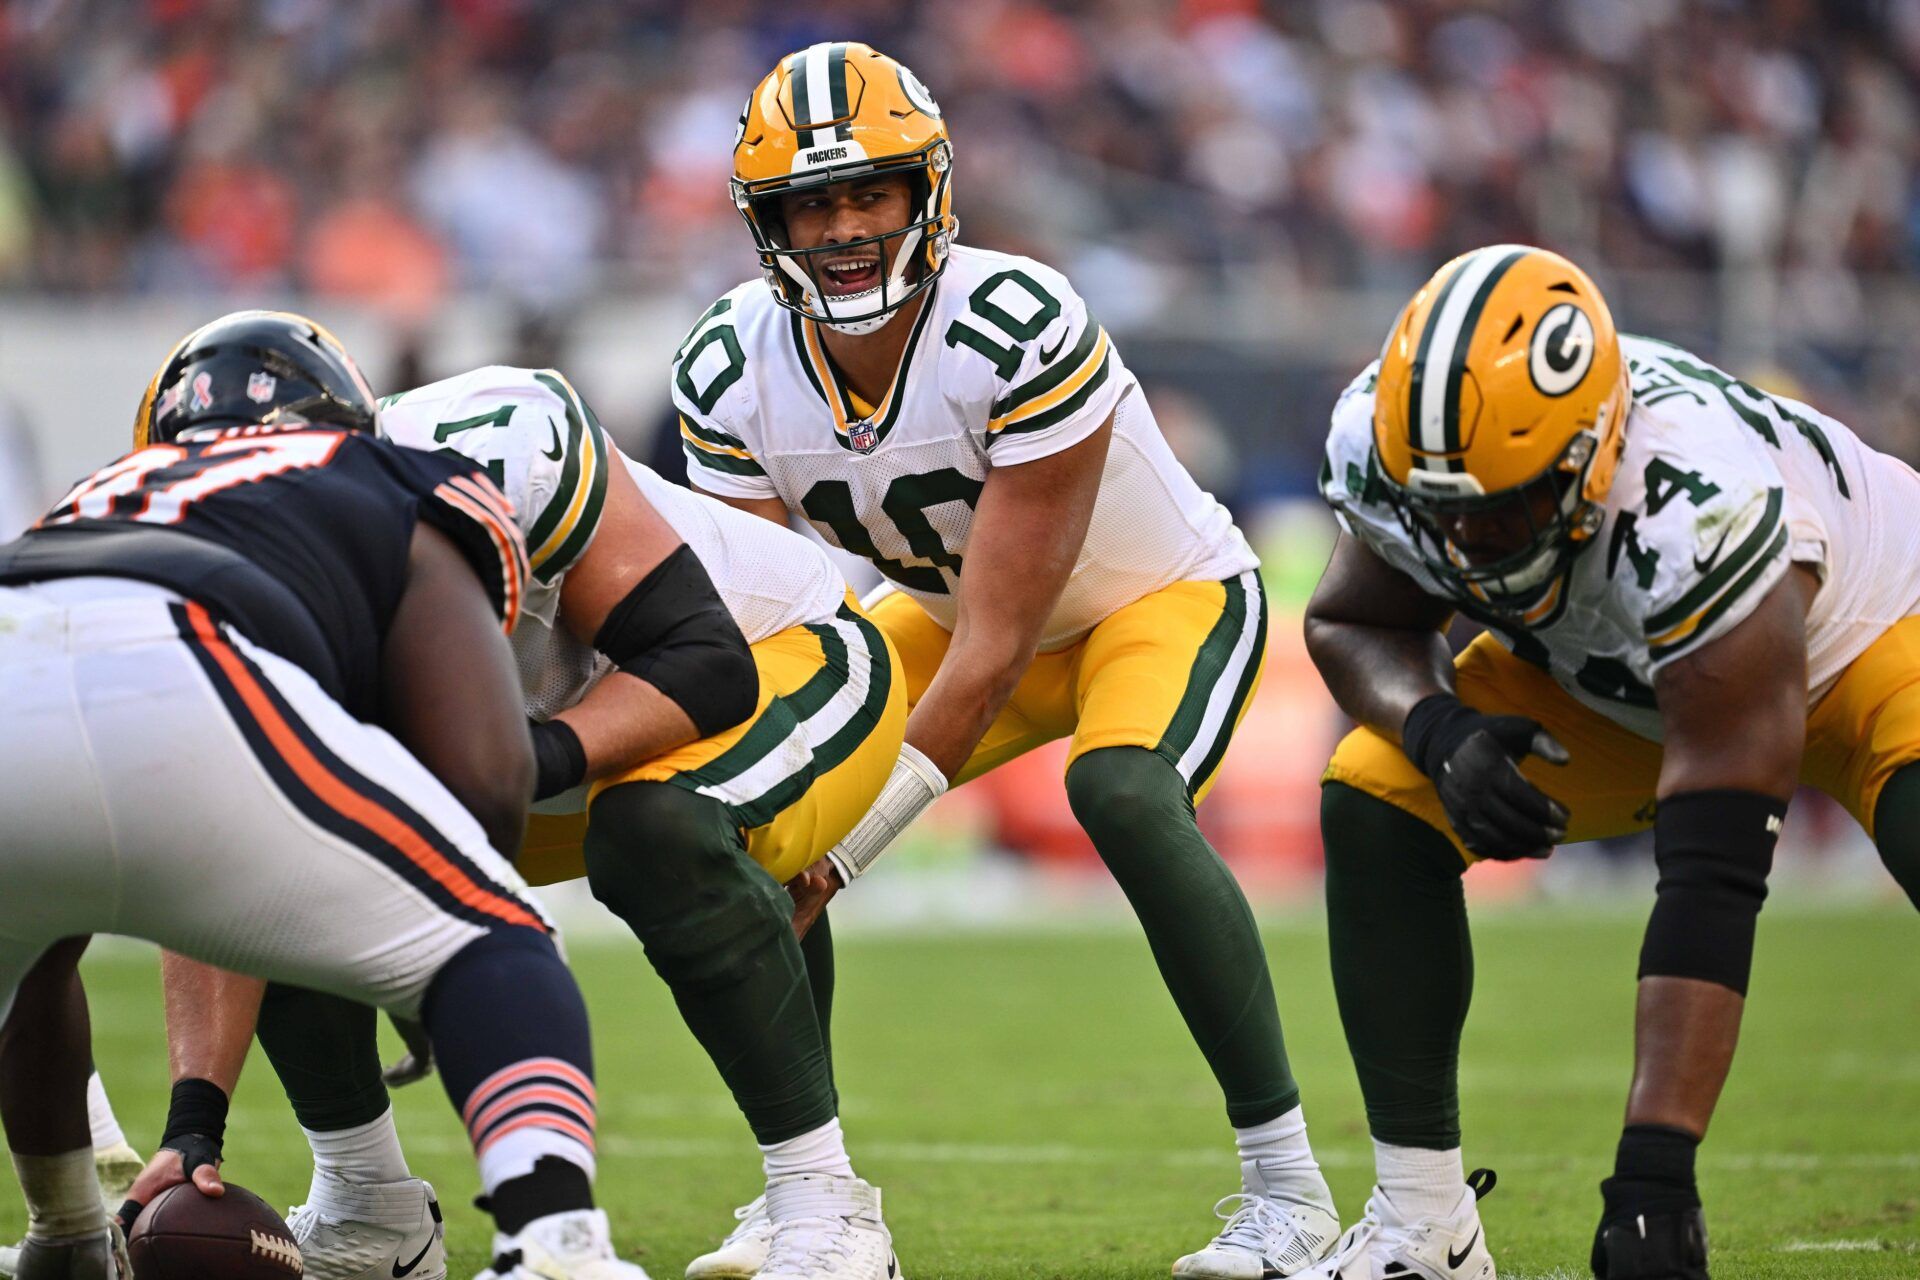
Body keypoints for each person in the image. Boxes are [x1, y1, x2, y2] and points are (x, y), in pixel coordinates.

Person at [678, 41, 1336, 1279]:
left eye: (869, 192)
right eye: (812, 203)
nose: (844, 228)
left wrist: (845, 852)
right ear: (767, 222)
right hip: (952, 610)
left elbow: (992, 648)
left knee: (1123, 788)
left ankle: (1289, 1189)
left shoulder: (1014, 325)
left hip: (1158, 597)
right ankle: (812, 1194)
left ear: (926, 189)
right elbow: (768, 633)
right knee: (755, 811)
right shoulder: (730, 367)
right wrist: (783, 813)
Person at [179, 362, 905, 1280]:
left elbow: (702, 659)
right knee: (280, 848)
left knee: (656, 829)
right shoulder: (195, 575)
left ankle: (822, 1200)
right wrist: (190, 1126)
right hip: (513, 746)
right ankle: (368, 1207)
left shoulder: (500, 446)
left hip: (772, 654)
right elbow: (215, 851)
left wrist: (515, 766)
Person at [1302, 244, 1920, 1280]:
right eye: (1446, 512)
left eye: (1503, 509)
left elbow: (1715, 870)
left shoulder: (1697, 504)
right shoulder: (1397, 444)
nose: (1472, 544)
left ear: (1594, 450)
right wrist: (1435, 728)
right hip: (1626, 671)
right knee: (1377, 796)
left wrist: (1654, 1175)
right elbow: (1353, 619)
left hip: (1869, 638)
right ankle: (1421, 1224)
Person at [0, 311, 647, 1279]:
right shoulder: (392, 473)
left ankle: (63, 1235)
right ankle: (557, 1242)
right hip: (183, 667)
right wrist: (439, 961)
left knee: (31, 957)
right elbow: (486, 770)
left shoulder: (98, 492)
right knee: (499, 936)